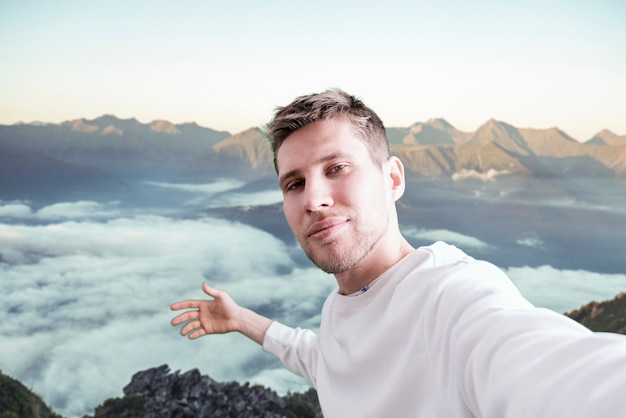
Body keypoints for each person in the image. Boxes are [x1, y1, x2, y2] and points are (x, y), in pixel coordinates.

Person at [171, 89, 626, 417]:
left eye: (337, 168)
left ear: (392, 179)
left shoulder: (452, 297)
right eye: (295, 183)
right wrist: (241, 320)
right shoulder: (341, 307)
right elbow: (327, 362)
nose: (314, 198)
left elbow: (552, 372)